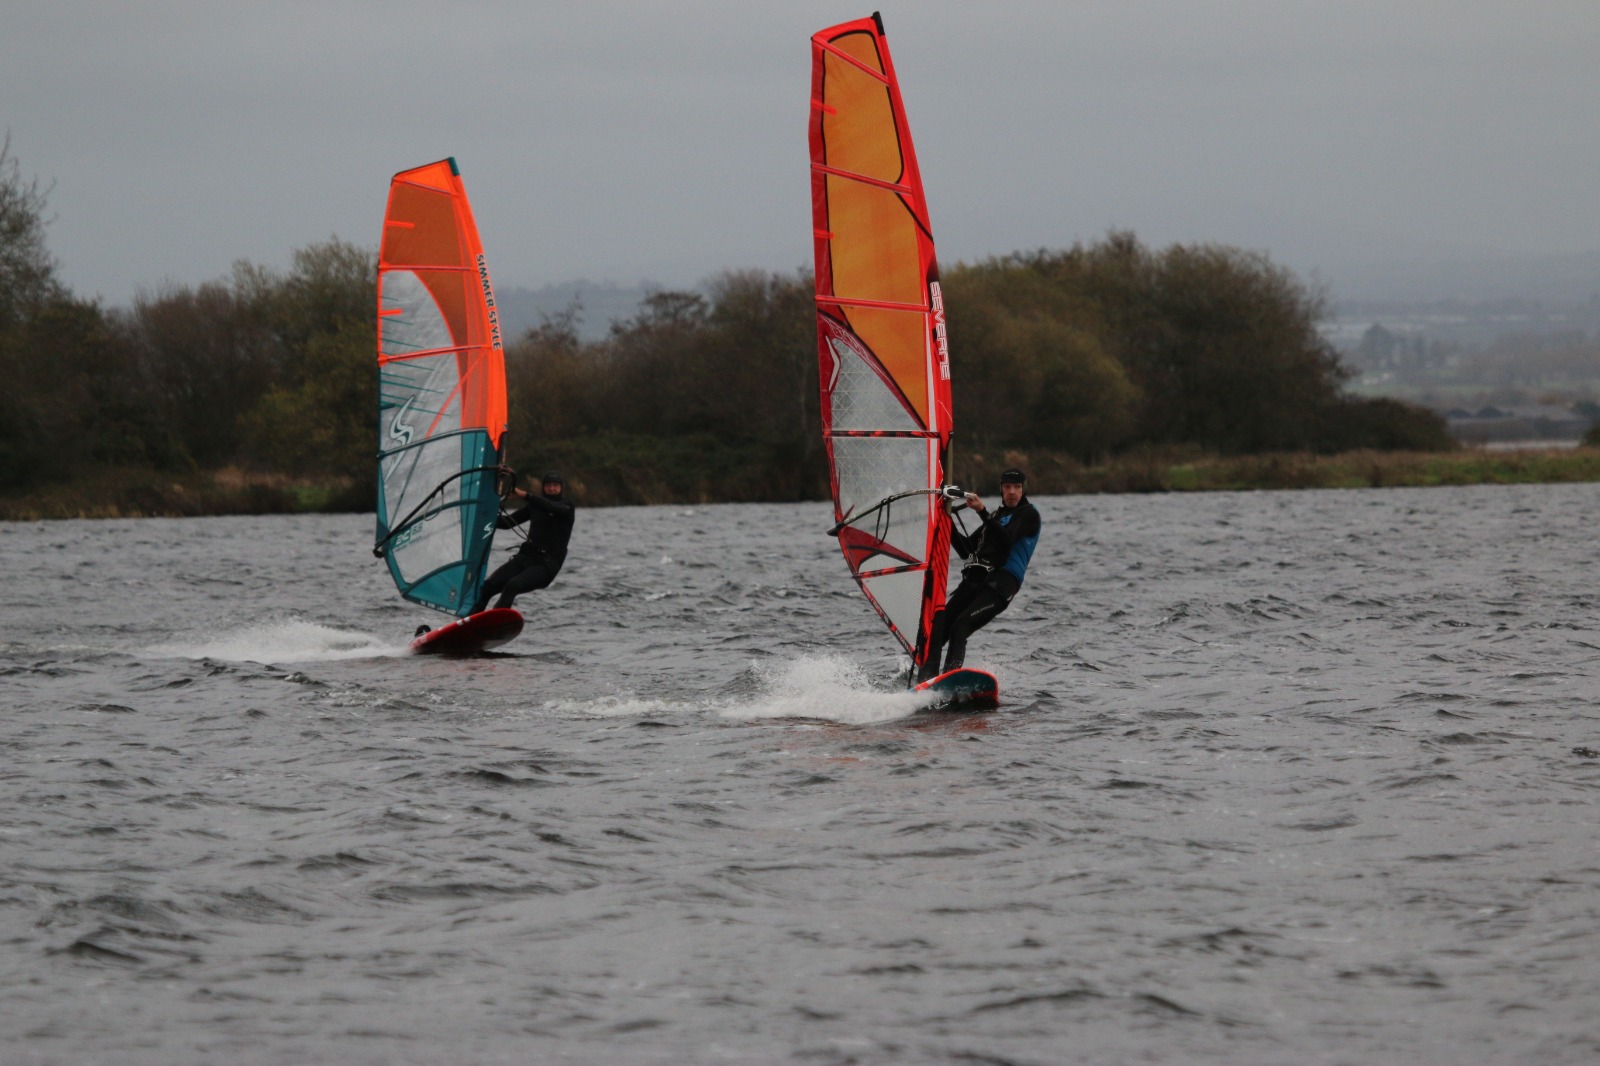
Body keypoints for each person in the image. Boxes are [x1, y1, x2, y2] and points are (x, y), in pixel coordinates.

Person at [917, 467, 1041, 681]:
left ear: (1023, 490)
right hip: (976, 580)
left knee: (960, 627)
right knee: (937, 629)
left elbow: (1006, 540)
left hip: (1001, 585)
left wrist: (981, 511)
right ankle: (925, 678)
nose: (1012, 492)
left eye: (1017, 487)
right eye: (1007, 487)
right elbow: (966, 549)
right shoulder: (996, 516)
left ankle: (950, 681)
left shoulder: (1028, 514)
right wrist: (944, 517)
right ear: (1001, 489)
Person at [469, 471, 575, 615]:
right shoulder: (534, 506)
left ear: (561, 487)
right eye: (548, 485)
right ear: (543, 487)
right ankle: (468, 619)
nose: (551, 488)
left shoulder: (567, 506)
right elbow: (507, 523)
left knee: (512, 586)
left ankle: (496, 621)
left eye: (555, 485)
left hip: (547, 565)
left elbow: (550, 507)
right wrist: (484, 514)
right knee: (489, 586)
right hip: (526, 557)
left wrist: (525, 495)